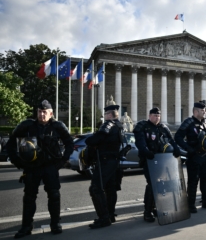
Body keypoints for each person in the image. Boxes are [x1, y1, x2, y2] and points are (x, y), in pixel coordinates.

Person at [6, 100, 74, 238]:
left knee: (54, 195)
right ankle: (26, 226)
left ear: (51, 113)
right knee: (29, 197)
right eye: (39, 112)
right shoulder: (27, 126)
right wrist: (17, 161)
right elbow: (11, 143)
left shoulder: (58, 126)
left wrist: (62, 161)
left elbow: (69, 143)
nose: (42, 114)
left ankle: (55, 224)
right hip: (32, 167)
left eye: (44, 112)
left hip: (50, 167)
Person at [133, 107, 181, 222]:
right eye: (155, 116)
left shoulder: (163, 128)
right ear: (150, 116)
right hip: (149, 160)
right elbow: (140, 142)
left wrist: (176, 149)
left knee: (160, 185)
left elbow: (171, 140)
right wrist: (146, 152)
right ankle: (147, 211)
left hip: (162, 161)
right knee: (151, 185)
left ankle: (155, 207)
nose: (157, 118)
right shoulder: (143, 126)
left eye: (158, 116)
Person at [175, 102, 206, 213]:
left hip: (205, 156)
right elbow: (178, 137)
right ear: (195, 111)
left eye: (204, 110)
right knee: (193, 181)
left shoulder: (205, 122)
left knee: (205, 178)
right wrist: (188, 148)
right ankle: (191, 204)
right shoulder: (188, 122)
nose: (204, 112)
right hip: (194, 156)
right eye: (202, 110)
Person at [86, 105, 124, 229]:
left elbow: (94, 140)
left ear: (109, 115)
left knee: (95, 188)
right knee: (110, 188)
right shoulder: (119, 125)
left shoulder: (108, 124)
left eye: (106, 114)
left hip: (105, 161)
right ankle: (110, 214)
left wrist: (89, 139)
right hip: (114, 162)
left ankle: (103, 218)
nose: (104, 116)